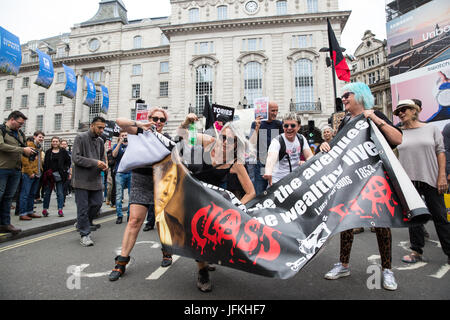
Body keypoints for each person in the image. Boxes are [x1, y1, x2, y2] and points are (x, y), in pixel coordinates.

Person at [320, 82, 403, 291]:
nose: (344, 99)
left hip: (375, 180)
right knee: (346, 222)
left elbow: (398, 139)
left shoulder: (373, 114)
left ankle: (387, 270)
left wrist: (375, 119)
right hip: (351, 181)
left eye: (347, 95)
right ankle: (343, 264)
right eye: (343, 96)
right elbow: (337, 149)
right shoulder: (345, 120)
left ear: (360, 96)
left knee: (381, 224)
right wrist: (326, 145)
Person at [178, 113, 256, 292]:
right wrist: (187, 122)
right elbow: (183, 135)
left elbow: (251, 192)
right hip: (191, 193)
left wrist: (236, 208)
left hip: (212, 202)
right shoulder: (208, 141)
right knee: (194, 236)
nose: (224, 142)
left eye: (230, 140)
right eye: (223, 137)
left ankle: (208, 258)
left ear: (236, 143)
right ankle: (202, 271)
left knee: (210, 236)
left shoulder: (235, 163)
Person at [109, 107, 172, 281]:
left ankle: (167, 251)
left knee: (161, 221)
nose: (158, 122)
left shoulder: (167, 139)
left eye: (162, 120)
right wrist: (140, 124)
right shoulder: (139, 132)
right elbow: (119, 122)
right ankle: (122, 261)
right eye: (155, 118)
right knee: (135, 220)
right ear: (150, 118)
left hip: (160, 182)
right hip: (140, 179)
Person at [394, 99, 450, 265]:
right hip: (409, 182)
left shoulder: (431, 128)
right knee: (414, 219)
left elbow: (441, 152)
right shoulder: (398, 133)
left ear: (414, 110)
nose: (401, 113)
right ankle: (416, 251)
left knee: (440, 217)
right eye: (398, 112)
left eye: (404, 109)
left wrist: (441, 175)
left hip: (431, 179)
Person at [72, 116, 107, 247]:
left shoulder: (101, 141)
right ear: (92, 125)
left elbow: (102, 157)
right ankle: (85, 234)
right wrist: (95, 162)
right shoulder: (80, 137)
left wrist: (104, 165)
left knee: (97, 204)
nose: (102, 130)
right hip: (81, 180)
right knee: (82, 208)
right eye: (99, 127)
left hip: (96, 180)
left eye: (103, 128)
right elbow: (75, 158)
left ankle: (82, 223)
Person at [0, 111, 36, 234]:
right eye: (19, 123)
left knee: (8, 198)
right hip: (2, 169)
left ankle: (5, 224)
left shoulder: (20, 133)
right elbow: (1, 146)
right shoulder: (1, 130)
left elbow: (23, 147)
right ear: (12, 119)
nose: (21, 126)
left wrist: (29, 152)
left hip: (15, 169)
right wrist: (22, 149)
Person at [263, 113, 313, 186]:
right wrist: (268, 171)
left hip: (294, 182)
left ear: (298, 127)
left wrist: (306, 163)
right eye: (286, 125)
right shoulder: (277, 141)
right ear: (283, 127)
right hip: (278, 182)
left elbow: (309, 156)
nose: (289, 128)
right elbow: (271, 158)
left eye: (292, 125)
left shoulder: (301, 138)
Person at [248, 102, 283, 194]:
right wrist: (256, 128)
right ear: (266, 111)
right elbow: (251, 144)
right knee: (260, 192)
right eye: (272, 111)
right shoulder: (256, 123)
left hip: (275, 164)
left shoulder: (279, 124)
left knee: (276, 191)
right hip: (261, 163)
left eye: (276, 111)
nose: (275, 113)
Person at [42, 137, 71, 217]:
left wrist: (65, 170)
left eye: (56, 141)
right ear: (51, 143)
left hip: (60, 175)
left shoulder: (63, 151)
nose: (55, 143)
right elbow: (45, 164)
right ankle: (45, 209)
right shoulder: (48, 152)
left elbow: (68, 161)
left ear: (59, 142)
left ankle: (60, 209)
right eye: (53, 141)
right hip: (50, 175)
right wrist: (46, 172)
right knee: (47, 193)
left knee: (60, 193)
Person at [19, 131, 45, 220]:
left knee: (32, 194)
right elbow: (24, 160)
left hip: (37, 173)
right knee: (25, 194)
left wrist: (40, 171)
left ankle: (30, 211)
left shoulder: (39, 147)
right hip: (28, 173)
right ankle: (22, 213)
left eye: (42, 137)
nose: (41, 139)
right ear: (34, 137)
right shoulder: (29, 145)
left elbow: (38, 161)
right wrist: (30, 172)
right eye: (39, 137)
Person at [112, 131, 131, 224]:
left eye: (126, 135)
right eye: (122, 135)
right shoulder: (116, 146)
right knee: (119, 196)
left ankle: (129, 215)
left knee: (131, 196)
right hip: (120, 173)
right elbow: (114, 155)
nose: (124, 137)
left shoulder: (132, 145)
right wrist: (119, 143)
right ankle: (119, 215)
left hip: (130, 172)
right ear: (119, 137)